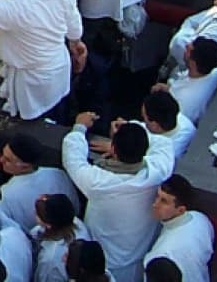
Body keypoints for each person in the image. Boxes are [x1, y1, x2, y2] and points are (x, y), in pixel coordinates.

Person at [63, 112, 174, 282]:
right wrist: (132, 129)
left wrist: (79, 127)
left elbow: (73, 158)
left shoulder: (98, 183)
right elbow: (164, 143)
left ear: (113, 149)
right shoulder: (158, 171)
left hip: (104, 264)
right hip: (138, 262)